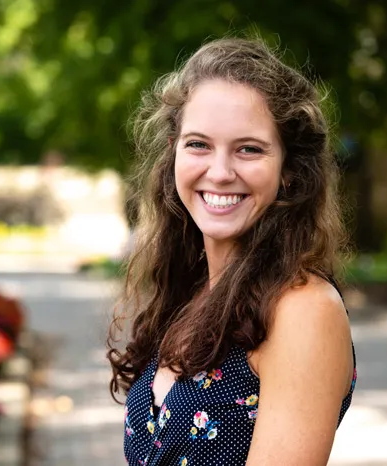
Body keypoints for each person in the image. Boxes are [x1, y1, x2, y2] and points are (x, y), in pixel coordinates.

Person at [107, 36, 356, 466]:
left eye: (249, 149)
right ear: (173, 156)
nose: (220, 173)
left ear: (290, 172)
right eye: (199, 144)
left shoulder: (303, 309)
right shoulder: (194, 292)